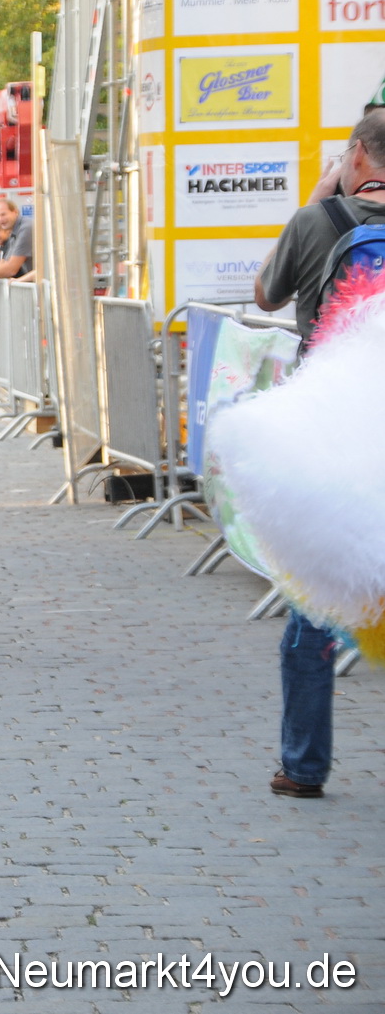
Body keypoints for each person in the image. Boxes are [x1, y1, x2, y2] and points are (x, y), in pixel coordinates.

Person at [252, 111, 385, 798]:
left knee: (316, 599)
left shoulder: (315, 222)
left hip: (335, 435)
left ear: (356, 155)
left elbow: (264, 293)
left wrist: (315, 200)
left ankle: (303, 765)